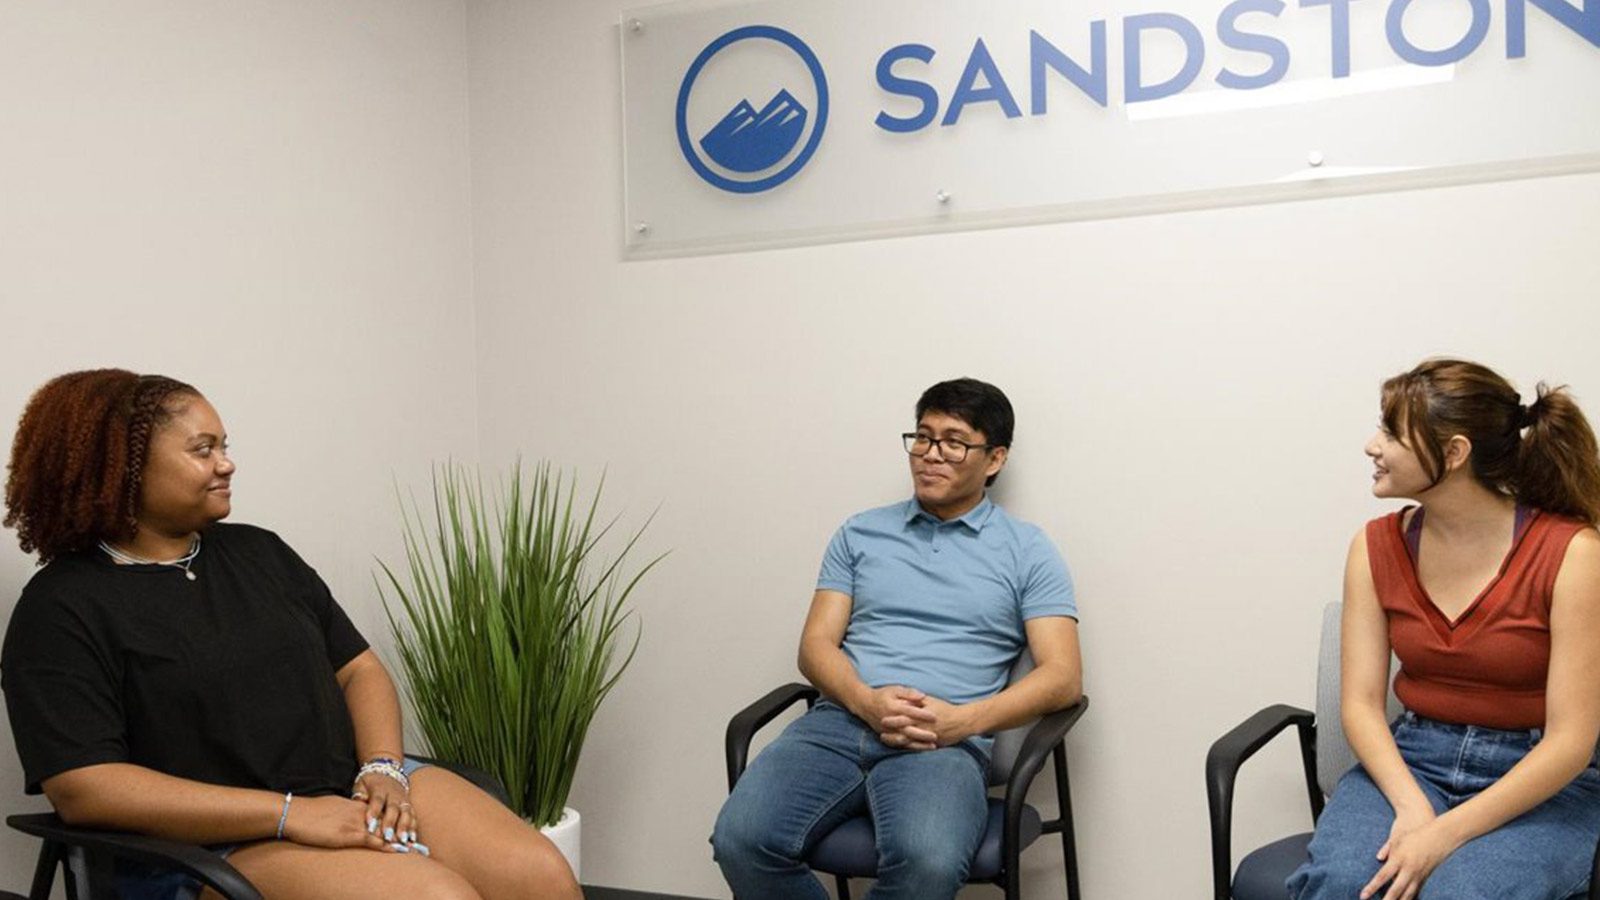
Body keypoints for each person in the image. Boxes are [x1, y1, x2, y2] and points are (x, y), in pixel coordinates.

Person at [0, 369, 581, 900]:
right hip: (209, 847)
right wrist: (288, 814)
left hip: (348, 786)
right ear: (121, 470)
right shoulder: (61, 609)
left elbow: (359, 670)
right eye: (203, 450)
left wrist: (382, 768)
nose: (226, 464)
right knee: (436, 898)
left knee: (540, 875)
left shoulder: (261, 552)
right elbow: (86, 788)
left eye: (224, 446)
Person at [711, 377, 1083, 900]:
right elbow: (814, 646)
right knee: (741, 839)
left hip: (942, 741)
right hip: (839, 724)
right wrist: (865, 701)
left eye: (954, 442)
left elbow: (1063, 678)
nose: (931, 454)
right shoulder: (859, 533)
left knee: (928, 863)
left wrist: (961, 722)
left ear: (994, 459)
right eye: (923, 437)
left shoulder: (1028, 551)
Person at [1288, 359, 1600, 900]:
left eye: (1391, 432)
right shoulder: (1373, 546)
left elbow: (1571, 742)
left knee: (1459, 892)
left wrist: (1442, 834)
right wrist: (1411, 807)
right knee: (1341, 885)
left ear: (1454, 453)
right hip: (1414, 761)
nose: (1372, 446)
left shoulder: (1574, 554)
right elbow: (1360, 705)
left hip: (1539, 780)